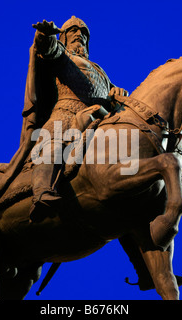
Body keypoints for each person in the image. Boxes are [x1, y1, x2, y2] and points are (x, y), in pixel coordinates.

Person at [27, 17, 128, 222]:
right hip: (66, 112)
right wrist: (45, 35)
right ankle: (42, 192)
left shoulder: (99, 71)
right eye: (73, 31)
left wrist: (116, 91)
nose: (79, 35)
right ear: (63, 36)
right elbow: (48, 49)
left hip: (97, 117)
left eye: (83, 34)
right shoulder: (63, 56)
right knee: (52, 142)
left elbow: (108, 92)